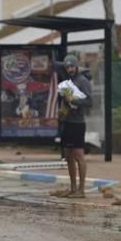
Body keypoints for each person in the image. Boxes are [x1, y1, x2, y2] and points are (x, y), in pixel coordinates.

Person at [51, 54, 93, 199]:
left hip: (77, 123)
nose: (70, 69)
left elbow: (89, 101)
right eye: (67, 67)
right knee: (68, 155)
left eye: (72, 66)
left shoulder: (83, 81)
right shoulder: (68, 81)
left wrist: (74, 99)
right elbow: (53, 64)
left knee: (78, 155)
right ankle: (73, 188)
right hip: (67, 122)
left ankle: (82, 190)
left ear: (76, 66)